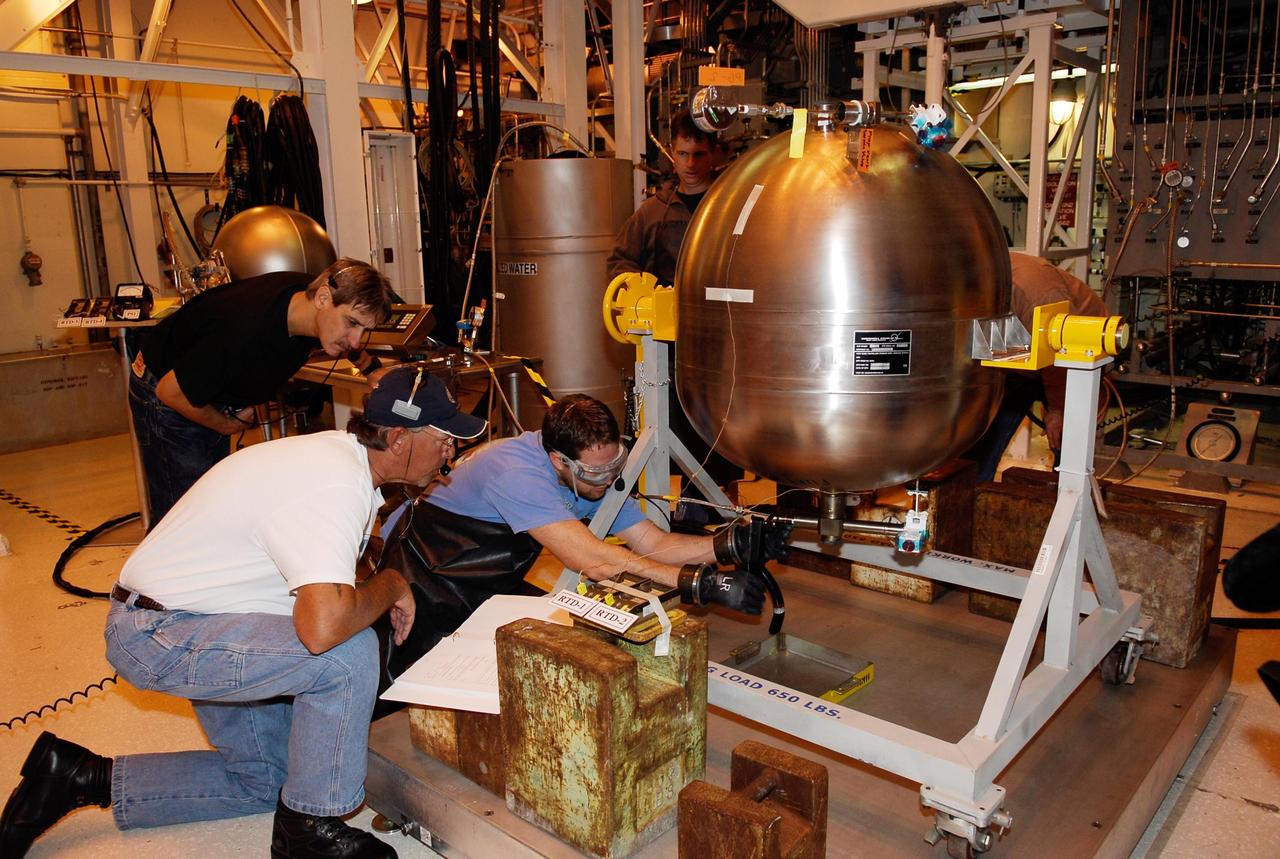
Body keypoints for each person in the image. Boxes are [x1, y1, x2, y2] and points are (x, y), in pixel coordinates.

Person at [0, 366, 486, 859]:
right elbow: (321, 629)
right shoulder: (333, 484)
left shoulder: (337, 464)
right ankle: (308, 831)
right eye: (445, 439)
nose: (451, 452)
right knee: (346, 652)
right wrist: (392, 583)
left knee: (268, 780)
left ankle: (76, 777)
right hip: (159, 632)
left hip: (203, 618)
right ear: (399, 437)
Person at [380, 393, 790, 669]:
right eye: (598, 472)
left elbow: (651, 543)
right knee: (423, 671)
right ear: (559, 460)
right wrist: (698, 584)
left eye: (616, 465)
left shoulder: (589, 474)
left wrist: (725, 546)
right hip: (426, 570)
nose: (609, 479)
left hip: (481, 570)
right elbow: (593, 561)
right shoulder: (517, 474)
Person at [128, 257, 396, 523]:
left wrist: (371, 369)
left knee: (209, 501)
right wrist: (224, 425)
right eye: (352, 323)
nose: (356, 339)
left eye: (365, 329)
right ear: (323, 298)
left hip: (204, 386)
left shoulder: (312, 301)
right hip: (167, 394)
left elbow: (348, 340)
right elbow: (170, 392)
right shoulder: (244, 329)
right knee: (182, 516)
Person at [607, 110, 741, 506]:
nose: (689, 165)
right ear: (671, 153)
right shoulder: (653, 213)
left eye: (698, 155)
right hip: (666, 344)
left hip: (720, 338)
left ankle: (724, 506)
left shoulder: (730, 205)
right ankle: (675, 507)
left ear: (715, 153)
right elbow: (619, 264)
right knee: (671, 422)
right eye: (681, 154)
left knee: (722, 423)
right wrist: (648, 296)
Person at [967, 252, 1109, 482]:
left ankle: (1066, 496)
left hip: (1074, 358)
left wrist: (1058, 409)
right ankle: (975, 490)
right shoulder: (969, 279)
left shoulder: (1037, 290)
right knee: (981, 436)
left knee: (1065, 439)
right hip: (1019, 349)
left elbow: (1060, 352)